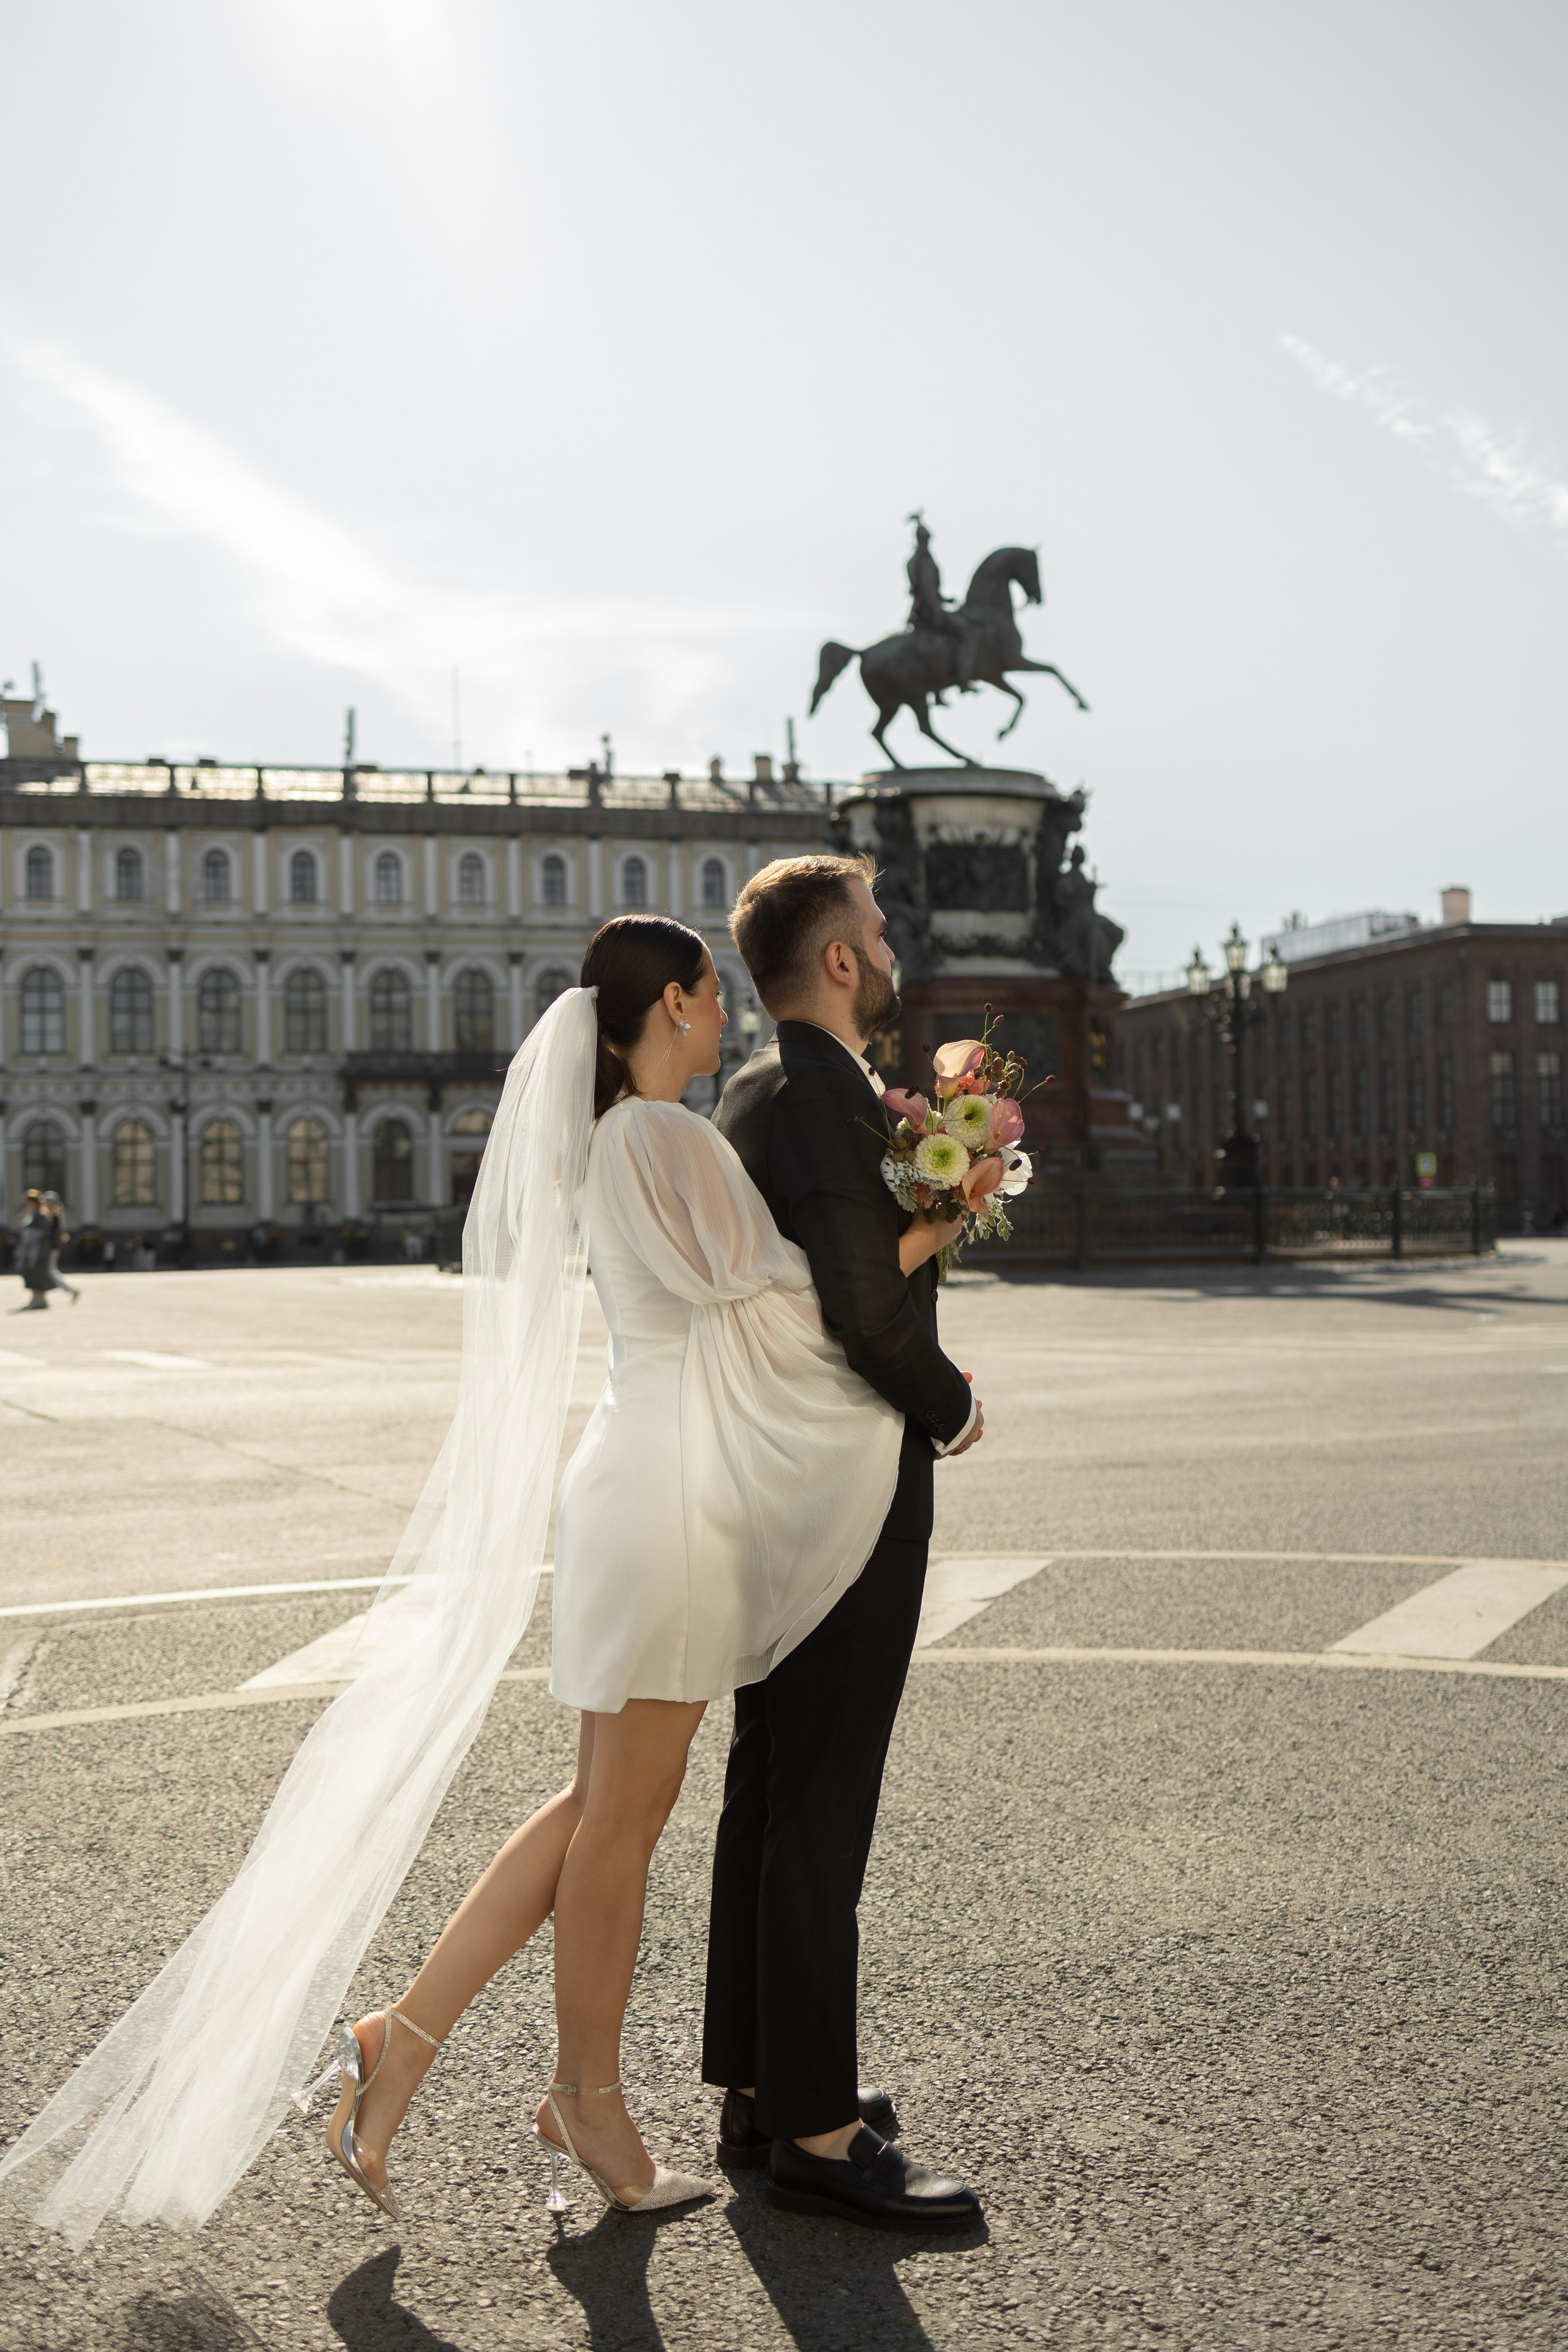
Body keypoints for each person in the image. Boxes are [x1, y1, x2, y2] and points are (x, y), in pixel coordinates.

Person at [0, 915, 908, 2245]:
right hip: (666, 1501)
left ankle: (398, 2041)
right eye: (712, 1005)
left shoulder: (611, 1144)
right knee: (621, 1823)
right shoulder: (662, 1135)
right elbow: (790, 1296)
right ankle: (584, 2100)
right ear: (671, 1004)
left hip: (634, 1480)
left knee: (597, 1802)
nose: (728, 1027)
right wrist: (936, 1213)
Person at [700, 851, 986, 2230]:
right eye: (872, 929)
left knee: (771, 1780)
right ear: (832, 960)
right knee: (822, 1804)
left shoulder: (754, 1089)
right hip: (839, 1491)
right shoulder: (820, 1095)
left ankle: (763, 2082)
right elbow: (863, 1313)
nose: (887, 948)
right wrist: (953, 1403)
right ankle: (814, 2129)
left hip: (769, 1484)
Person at [40, 1192, 80, 1305]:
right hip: (53, 1247)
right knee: (50, 1271)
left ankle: (71, 1290)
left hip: (51, 1247)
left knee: (51, 1272)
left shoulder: (52, 1216)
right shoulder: (56, 1215)